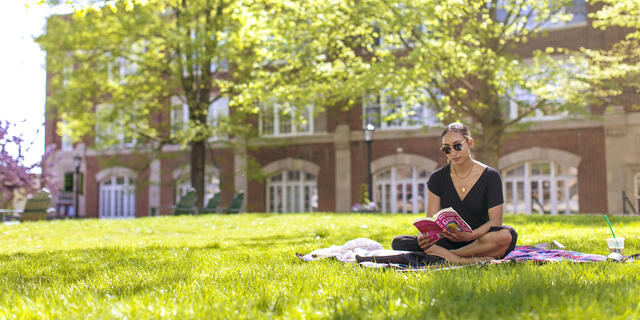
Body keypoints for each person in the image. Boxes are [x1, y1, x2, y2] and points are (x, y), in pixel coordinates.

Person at [391, 123, 518, 265]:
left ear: (470, 143)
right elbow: (430, 221)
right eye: (447, 149)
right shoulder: (437, 178)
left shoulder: (491, 176)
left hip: (479, 240)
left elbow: (495, 222)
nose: (453, 153)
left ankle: (447, 257)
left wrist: (469, 235)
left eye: (457, 146)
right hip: (446, 241)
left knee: (507, 234)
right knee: (399, 242)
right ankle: (461, 260)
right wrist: (425, 237)